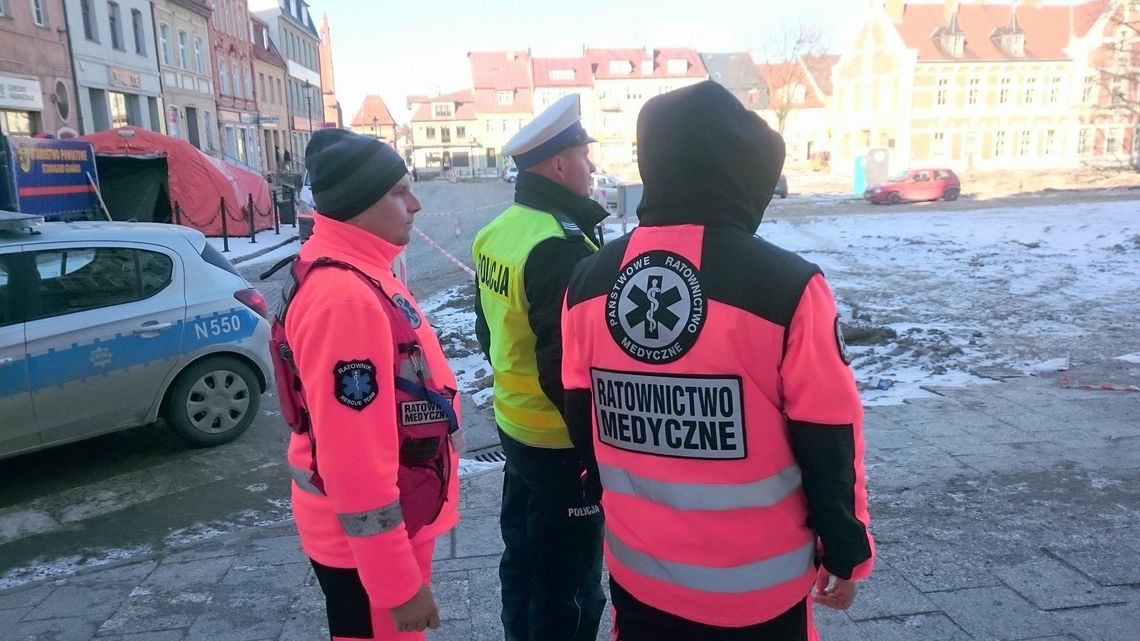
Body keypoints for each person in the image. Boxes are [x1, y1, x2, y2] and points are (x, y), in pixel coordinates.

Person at [561, 81, 875, 640]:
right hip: (757, 592)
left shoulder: (588, 282)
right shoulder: (788, 286)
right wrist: (847, 551)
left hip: (640, 576)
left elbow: (582, 416)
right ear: (746, 172)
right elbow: (829, 435)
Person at [274, 128, 462, 640]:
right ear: (359, 205)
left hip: (388, 532)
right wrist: (396, 585)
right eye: (399, 191)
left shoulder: (363, 270)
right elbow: (353, 460)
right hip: (370, 552)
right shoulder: (346, 298)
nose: (416, 204)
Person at [471, 93, 609, 641]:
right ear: (558, 164)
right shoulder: (558, 245)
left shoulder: (499, 231)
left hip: (515, 427)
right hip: (559, 444)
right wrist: (593, 456)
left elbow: (488, 331)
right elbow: (565, 368)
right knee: (571, 586)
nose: (592, 165)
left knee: (523, 562)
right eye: (585, 154)